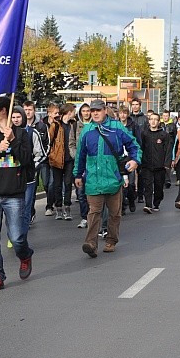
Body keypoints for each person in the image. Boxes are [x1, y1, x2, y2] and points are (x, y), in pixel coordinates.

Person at [0, 96, 34, 292]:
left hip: (14, 194)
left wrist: (12, 142)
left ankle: (25, 255)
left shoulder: (21, 134)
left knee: (17, 237)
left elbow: (27, 160)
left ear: (4, 110)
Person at [73, 99, 141, 258]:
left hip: (113, 178)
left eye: (98, 110)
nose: (95, 113)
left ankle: (111, 240)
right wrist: (78, 174)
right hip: (93, 180)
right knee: (94, 212)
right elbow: (80, 155)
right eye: (92, 111)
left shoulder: (117, 127)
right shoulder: (87, 130)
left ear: (105, 110)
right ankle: (91, 243)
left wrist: (135, 160)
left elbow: (134, 145)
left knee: (115, 213)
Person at [12, 107, 46, 244]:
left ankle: (22, 237)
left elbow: (41, 154)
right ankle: (13, 234)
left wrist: (32, 166)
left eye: (18, 117)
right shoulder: (6, 133)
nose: (15, 120)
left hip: (28, 178)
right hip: (11, 178)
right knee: (13, 209)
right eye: (13, 117)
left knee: (25, 209)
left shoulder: (32, 133)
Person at [139, 111, 172, 213]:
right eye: (151, 119)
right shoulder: (144, 134)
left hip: (160, 166)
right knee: (148, 185)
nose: (153, 122)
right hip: (147, 165)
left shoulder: (164, 135)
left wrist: (167, 164)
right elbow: (140, 148)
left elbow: (168, 150)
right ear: (149, 121)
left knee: (158, 186)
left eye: (155, 120)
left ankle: (156, 203)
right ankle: (148, 204)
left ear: (159, 122)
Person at [74, 103, 92, 228]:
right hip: (80, 162)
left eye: (88, 110)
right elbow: (71, 143)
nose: (86, 113)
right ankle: (84, 217)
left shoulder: (95, 125)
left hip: (92, 163)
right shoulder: (76, 126)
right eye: (83, 111)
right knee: (80, 192)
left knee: (91, 192)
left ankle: (93, 216)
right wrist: (77, 156)